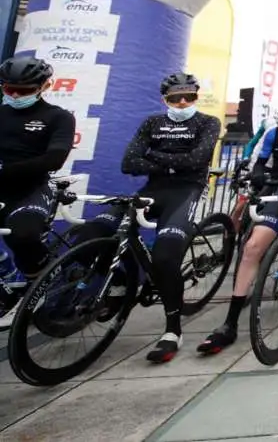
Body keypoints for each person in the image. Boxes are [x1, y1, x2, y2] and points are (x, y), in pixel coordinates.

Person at [76, 73, 221, 363]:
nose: (182, 102)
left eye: (188, 97)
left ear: (195, 96)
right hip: (151, 189)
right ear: (163, 99)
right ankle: (120, 283)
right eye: (174, 98)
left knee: (165, 258)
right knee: (90, 235)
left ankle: (173, 330)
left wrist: (155, 157)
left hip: (187, 191)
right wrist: (174, 163)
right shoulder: (152, 123)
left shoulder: (209, 122)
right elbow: (129, 163)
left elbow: (197, 161)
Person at [198, 94, 278, 355]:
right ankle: (230, 322)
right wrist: (257, 173)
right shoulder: (275, 132)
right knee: (252, 248)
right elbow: (259, 160)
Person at [0, 57, 76, 313]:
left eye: (24, 91)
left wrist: (5, 170)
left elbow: (54, 158)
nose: (15, 95)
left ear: (44, 86)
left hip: (30, 189)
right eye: (9, 89)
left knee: (24, 235)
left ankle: (41, 279)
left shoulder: (58, 117)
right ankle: (11, 279)